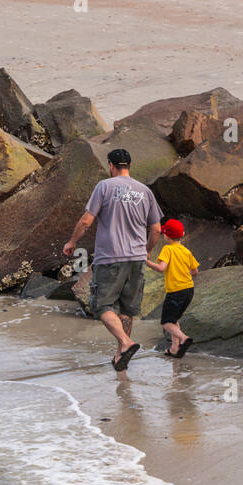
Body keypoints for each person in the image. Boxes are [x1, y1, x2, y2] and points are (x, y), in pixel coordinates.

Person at [62, 148, 163, 371]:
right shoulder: (145, 191)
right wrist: (146, 249)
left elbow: (87, 221)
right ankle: (121, 354)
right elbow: (156, 228)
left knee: (101, 305)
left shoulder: (104, 187)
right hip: (137, 259)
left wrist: (72, 242)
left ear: (111, 166)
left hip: (111, 257)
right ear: (130, 165)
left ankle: (126, 343)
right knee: (127, 308)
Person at [145, 218, 198, 357]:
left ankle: (184, 338)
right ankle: (175, 348)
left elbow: (162, 268)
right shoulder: (186, 251)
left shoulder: (167, 249)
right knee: (174, 319)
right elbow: (195, 271)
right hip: (189, 290)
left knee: (166, 322)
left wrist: (146, 262)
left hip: (175, 291)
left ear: (166, 236)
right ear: (183, 234)